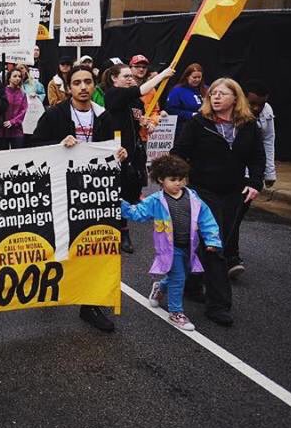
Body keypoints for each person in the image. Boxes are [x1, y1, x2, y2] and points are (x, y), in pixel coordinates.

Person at [32, 65, 124, 333]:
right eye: (77, 83)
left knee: (93, 245)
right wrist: (59, 145)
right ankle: (47, 288)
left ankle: (90, 304)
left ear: (95, 85)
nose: (83, 87)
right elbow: (34, 146)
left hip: (92, 193)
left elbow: (112, 150)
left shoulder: (104, 117)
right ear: (68, 87)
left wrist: (120, 157)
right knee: (56, 242)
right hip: (59, 191)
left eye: (87, 82)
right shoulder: (55, 115)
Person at [171, 78, 264, 326]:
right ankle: (219, 305)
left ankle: (191, 284)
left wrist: (255, 183)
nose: (216, 97)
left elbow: (257, 157)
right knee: (215, 245)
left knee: (211, 241)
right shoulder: (198, 123)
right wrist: (176, 180)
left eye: (223, 93)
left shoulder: (249, 125)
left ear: (236, 98)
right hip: (203, 191)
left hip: (235, 193)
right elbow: (179, 152)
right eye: (213, 93)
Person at [122, 154, 222, 331]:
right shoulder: (156, 201)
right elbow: (137, 213)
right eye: (173, 179)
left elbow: (206, 218)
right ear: (161, 179)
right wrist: (118, 203)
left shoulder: (192, 197)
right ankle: (176, 312)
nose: (178, 183)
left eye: (181, 179)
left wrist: (212, 239)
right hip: (170, 248)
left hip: (189, 246)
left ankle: (160, 287)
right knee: (179, 278)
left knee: (182, 273)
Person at [98, 63, 175, 254]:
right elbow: (140, 89)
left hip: (134, 152)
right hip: (116, 152)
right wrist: (163, 75)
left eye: (131, 76)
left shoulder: (136, 102)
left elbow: (138, 120)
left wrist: (146, 124)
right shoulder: (113, 94)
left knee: (130, 192)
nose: (130, 79)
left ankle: (122, 227)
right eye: (125, 76)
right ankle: (115, 231)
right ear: (114, 79)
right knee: (115, 192)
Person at [166, 63, 207, 137]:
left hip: (204, 129)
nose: (197, 80)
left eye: (199, 77)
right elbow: (170, 110)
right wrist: (191, 115)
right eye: (194, 77)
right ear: (187, 77)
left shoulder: (206, 89)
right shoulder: (177, 91)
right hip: (184, 130)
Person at [0, 69, 28, 149]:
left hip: (17, 130)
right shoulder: (3, 92)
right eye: (15, 76)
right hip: (2, 129)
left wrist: (13, 122)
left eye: (19, 76)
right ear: (9, 78)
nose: (17, 78)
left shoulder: (22, 94)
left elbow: (23, 110)